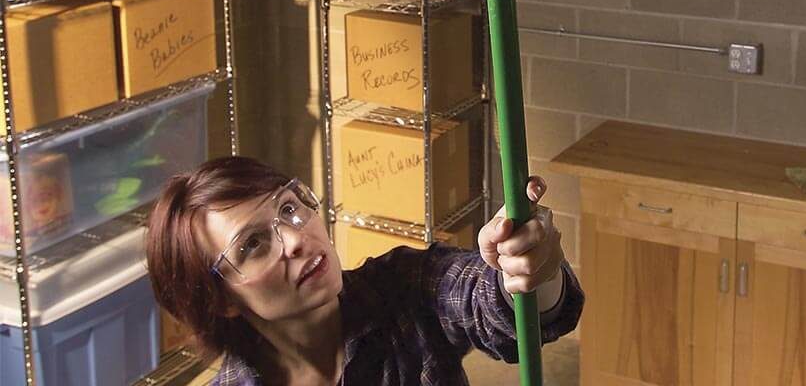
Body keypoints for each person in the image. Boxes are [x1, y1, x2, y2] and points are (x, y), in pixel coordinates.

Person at [146, 155, 583, 385]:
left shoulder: (402, 291)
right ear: (221, 300)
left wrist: (529, 269)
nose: (296, 239)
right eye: (253, 244)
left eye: (289, 208)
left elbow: (486, 301)